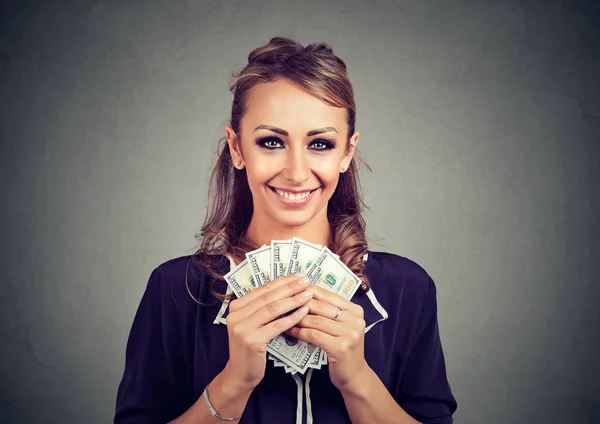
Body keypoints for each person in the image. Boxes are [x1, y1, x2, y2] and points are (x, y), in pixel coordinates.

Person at [114, 36, 458, 424]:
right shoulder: (176, 289)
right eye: (272, 142)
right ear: (237, 148)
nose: (296, 173)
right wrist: (234, 383)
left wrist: (357, 379)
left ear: (347, 152)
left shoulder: (407, 289)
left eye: (321, 144)